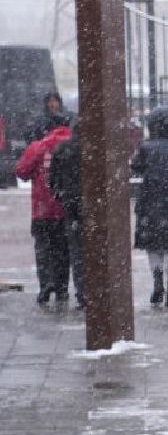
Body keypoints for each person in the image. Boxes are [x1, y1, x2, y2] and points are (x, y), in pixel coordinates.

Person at [132, 107, 168, 310]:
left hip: (150, 203)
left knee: (154, 246)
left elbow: (136, 167)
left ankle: (157, 281)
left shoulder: (146, 147)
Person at [15, 114, 73, 305]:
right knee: (63, 250)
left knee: (43, 248)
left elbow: (21, 171)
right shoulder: (74, 145)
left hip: (42, 208)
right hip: (66, 207)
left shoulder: (39, 146)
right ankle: (62, 287)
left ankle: (46, 282)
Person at [45, 128, 86, 309]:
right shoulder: (94, 148)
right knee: (93, 248)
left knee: (77, 251)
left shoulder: (62, 149)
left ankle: (82, 292)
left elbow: (52, 178)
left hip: (71, 204)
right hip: (93, 203)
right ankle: (93, 290)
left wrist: (60, 195)